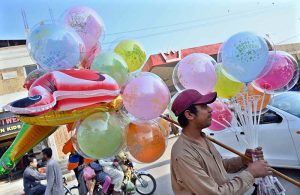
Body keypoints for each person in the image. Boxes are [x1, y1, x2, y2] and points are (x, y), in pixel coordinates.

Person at [170, 89, 272, 195]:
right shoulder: (183, 154)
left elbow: (218, 166)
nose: (210, 109)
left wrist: (243, 160)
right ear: (189, 115)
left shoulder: (203, 138)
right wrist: (251, 173)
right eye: (204, 106)